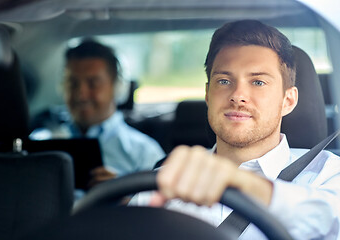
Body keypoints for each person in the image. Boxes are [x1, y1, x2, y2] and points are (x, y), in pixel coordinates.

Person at [130, 20, 340, 239]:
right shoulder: (161, 185)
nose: (238, 95)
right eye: (223, 81)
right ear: (207, 95)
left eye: (258, 82)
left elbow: (330, 220)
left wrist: (241, 182)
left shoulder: (329, 175)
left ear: (288, 100)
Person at [31, 40, 165, 187]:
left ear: (116, 87)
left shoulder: (144, 153)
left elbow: (155, 207)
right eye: (72, 83)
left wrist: (119, 193)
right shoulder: (40, 144)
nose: (81, 95)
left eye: (93, 83)